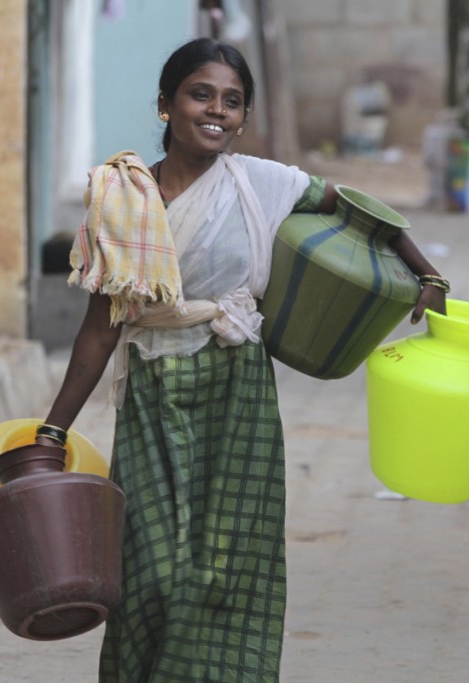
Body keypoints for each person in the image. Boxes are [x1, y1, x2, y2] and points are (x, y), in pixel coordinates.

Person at [36, 37, 447, 682]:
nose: (217, 112)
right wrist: (53, 430)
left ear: (244, 118)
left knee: (229, 571)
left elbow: (358, 208)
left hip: (238, 394)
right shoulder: (122, 200)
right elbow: (99, 328)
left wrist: (429, 276)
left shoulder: (266, 185)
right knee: (150, 571)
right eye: (201, 95)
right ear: (166, 105)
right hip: (153, 395)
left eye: (233, 102)